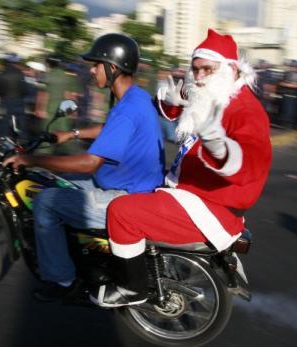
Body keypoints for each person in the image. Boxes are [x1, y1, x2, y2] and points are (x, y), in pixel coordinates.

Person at [91, 29, 272, 307]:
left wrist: (219, 146)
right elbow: (182, 105)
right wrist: (170, 104)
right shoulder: (214, 91)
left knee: (121, 212)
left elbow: (249, 163)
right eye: (195, 69)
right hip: (188, 191)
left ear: (231, 69)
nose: (198, 76)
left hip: (208, 207)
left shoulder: (246, 111)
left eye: (206, 70)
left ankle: (132, 287)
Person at [2, 33, 165, 302]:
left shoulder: (127, 108)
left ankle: (63, 281)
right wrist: (72, 134)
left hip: (124, 197)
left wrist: (30, 159)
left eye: (96, 64)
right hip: (127, 185)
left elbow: (89, 163)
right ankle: (80, 253)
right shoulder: (136, 98)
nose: (91, 70)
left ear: (113, 67)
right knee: (58, 181)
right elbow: (110, 130)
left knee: (45, 202)